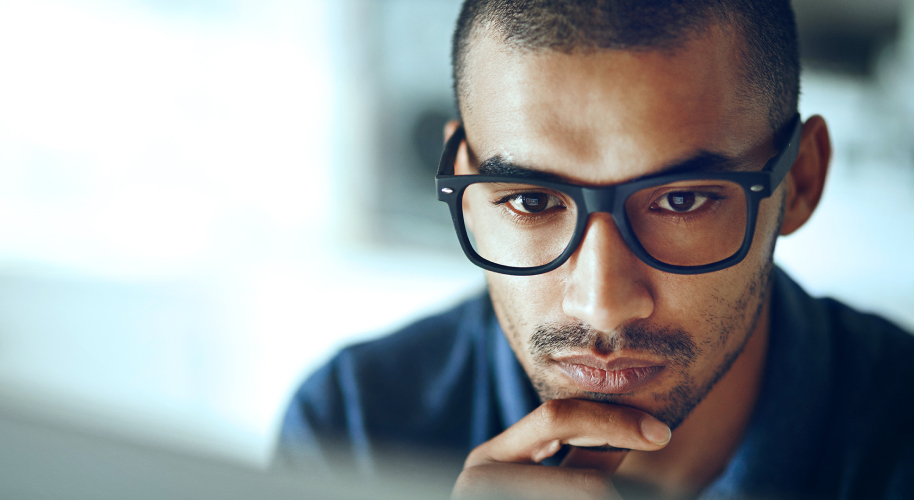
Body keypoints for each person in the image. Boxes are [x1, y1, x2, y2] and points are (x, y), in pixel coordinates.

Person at [278, 1, 914, 498]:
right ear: (467, 190)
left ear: (800, 180)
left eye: (681, 201)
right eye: (530, 201)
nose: (603, 305)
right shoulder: (353, 432)